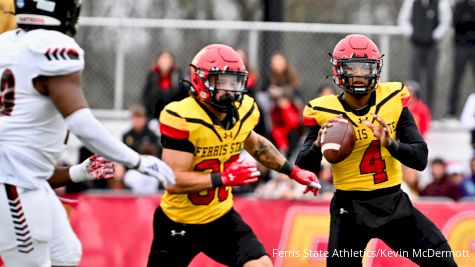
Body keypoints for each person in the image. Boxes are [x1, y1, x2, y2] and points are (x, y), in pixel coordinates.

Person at [0, 1, 175, 266]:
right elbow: (81, 123)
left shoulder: (8, 43)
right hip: (14, 183)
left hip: (24, 178)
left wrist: (80, 172)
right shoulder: (51, 48)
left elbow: (25, 151)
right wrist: (137, 160)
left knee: (66, 254)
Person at [147, 44, 320, 267]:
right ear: (201, 81)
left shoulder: (243, 110)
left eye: (234, 82)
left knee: (261, 265)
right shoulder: (182, 116)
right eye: (221, 82)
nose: (229, 90)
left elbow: (256, 143)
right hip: (178, 222)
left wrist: (293, 171)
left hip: (220, 217)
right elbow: (172, 180)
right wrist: (223, 178)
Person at [296, 34, 456, 266]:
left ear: (377, 69)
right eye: (353, 68)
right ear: (339, 71)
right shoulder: (323, 110)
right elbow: (302, 168)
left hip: (392, 203)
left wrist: (391, 144)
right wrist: (317, 146)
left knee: (443, 260)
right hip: (348, 210)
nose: (360, 75)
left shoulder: (392, 100)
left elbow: (420, 158)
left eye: (365, 68)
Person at [398, 0, 452, 111]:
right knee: (414, 80)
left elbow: (445, 22)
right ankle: (412, 110)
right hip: (416, 46)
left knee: (430, 79)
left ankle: (428, 111)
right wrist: (413, 34)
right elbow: (403, 19)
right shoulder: (411, 2)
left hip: (432, 47)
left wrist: (433, 37)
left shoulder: (441, 3)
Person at [141, 51, 188, 121]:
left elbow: (184, 95)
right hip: (154, 117)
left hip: (175, 116)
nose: (165, 62)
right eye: (163, 59)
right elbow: (146, 97)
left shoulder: (178, 75)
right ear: (158, 61)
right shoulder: (152, 76)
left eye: (168, 59)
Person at [447, 0, 475, 118]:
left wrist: (467, 20)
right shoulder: (458, 6)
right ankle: (451, 112)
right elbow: (456, 23)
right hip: (460, 46)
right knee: (456, 80)